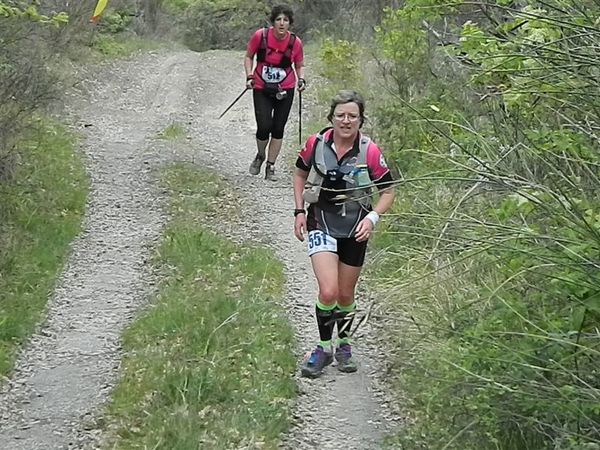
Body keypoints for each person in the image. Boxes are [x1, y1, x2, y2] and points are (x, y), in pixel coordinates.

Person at [292, 90, 395, 378]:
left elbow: (388, 191)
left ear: (361, 120)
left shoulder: (369, 151)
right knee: (329, 291)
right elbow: (299, 174)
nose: (346, 121)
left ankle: (344, 344)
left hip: (355, 229)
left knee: (346, 293)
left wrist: (372, 218)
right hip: (320, 222)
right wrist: (299, 211)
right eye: (341, 115)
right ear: (332, 118)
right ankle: (324, 348)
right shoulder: (315, 144)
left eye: (352, 116)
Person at [244, 4, 305, 181]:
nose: (281, 23)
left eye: (285, 20)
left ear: (290, 24)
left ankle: (270, 165)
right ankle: (260, 155)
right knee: (264, 127)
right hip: (261, 86)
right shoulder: (260, 36)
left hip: (285, 87)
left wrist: (301, 80)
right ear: (273, 22)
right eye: (278, 19)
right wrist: (249, 76)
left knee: (278, 128)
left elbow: (299, 65)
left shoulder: (295, 43)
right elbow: (249, 56)